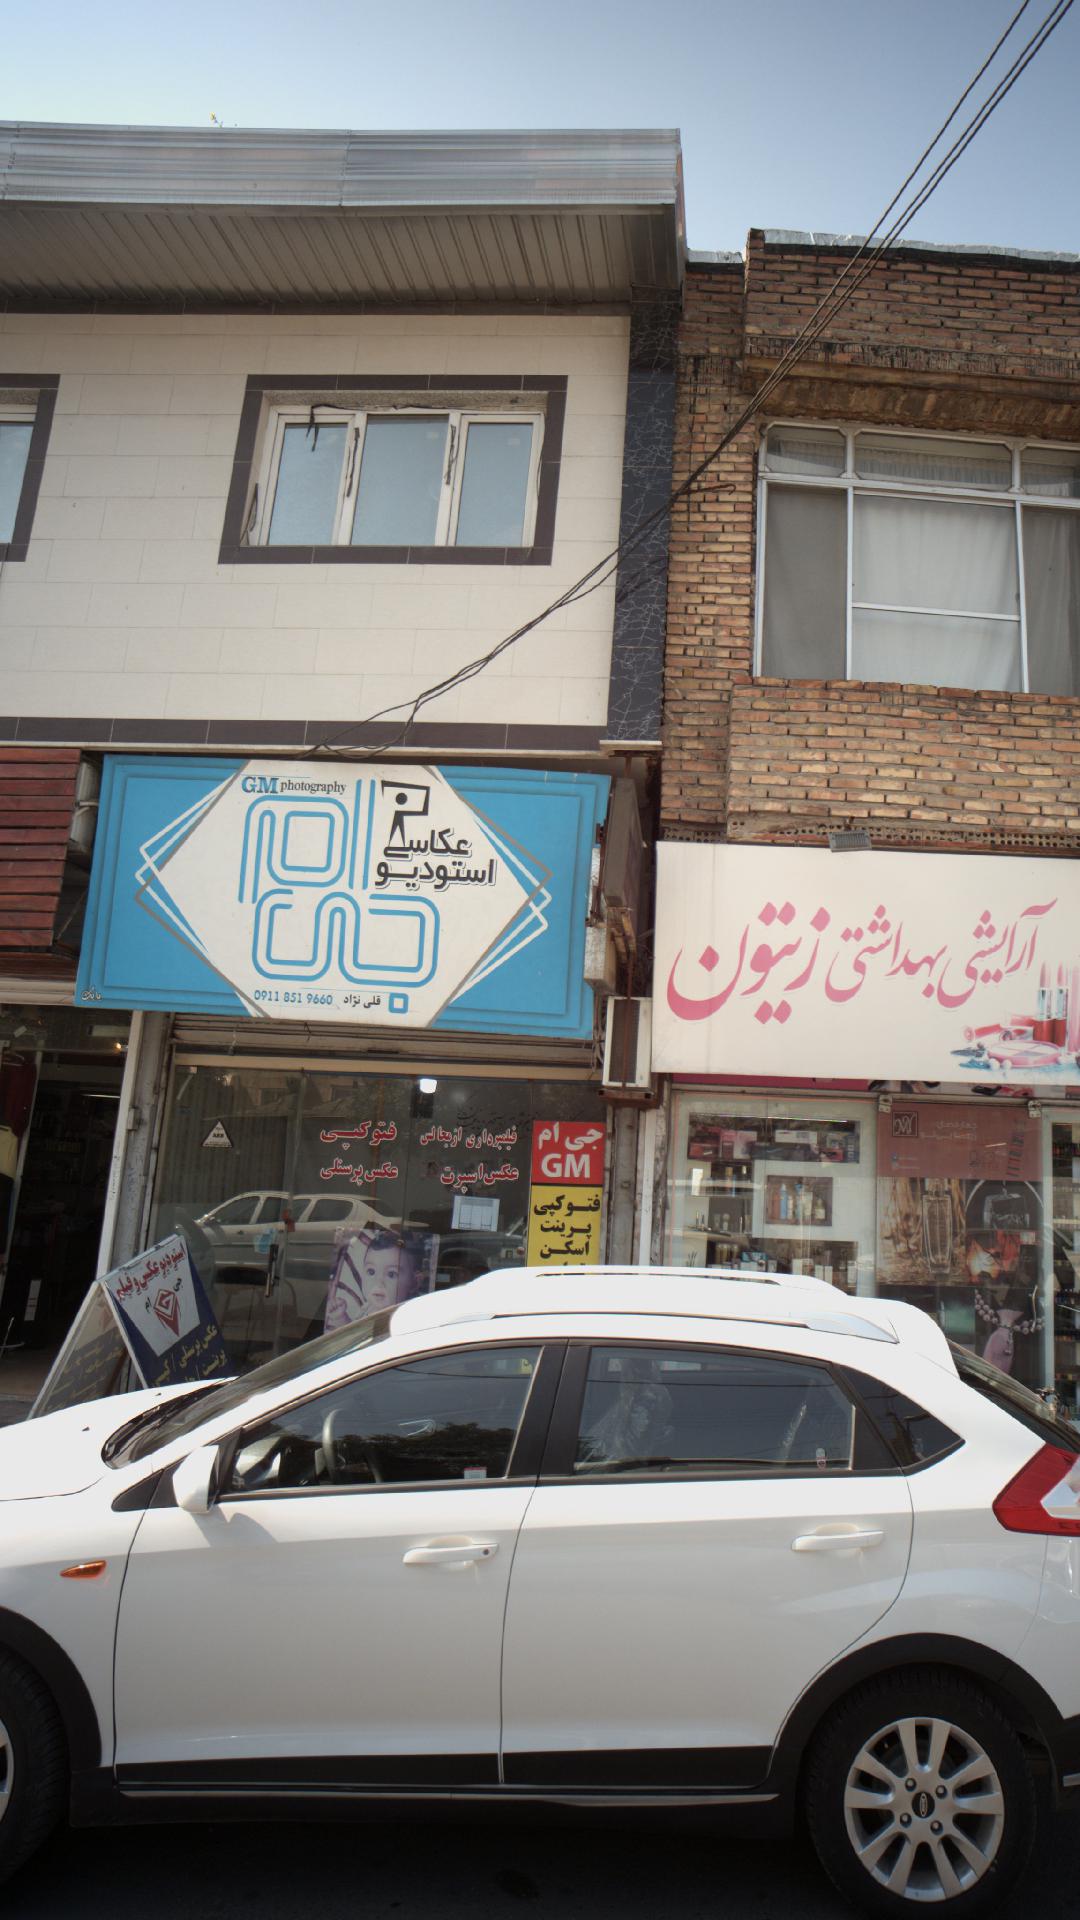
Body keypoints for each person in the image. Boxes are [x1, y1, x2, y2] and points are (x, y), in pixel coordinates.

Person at [323, 1227, 419, 1331]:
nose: (378, 1282)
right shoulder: (366, 1309)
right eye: (371, 1272)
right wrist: (341, 1318)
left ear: (414, 1283)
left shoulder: (403, 1319)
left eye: (391, 1274)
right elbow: (353, 1334)